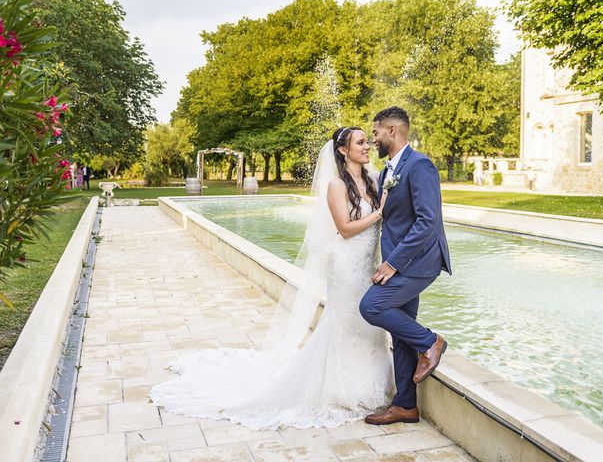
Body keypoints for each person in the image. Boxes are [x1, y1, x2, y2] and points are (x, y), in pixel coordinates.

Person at [150, 126, 394, 429]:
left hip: (367, 262)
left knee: (368, 324)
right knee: (346, 321)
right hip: (346, 265)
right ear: (343, 150)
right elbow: (344, 228)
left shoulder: (371, 179)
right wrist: (379, 213)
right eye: (360, 142)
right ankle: (342, 388)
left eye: (366, 142)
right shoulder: (336, 185)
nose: (367, 146)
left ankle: (372, 382)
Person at [360, 106, 452, 425]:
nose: (374, 139)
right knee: (399, 331)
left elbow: (428, 222)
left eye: (376, 133)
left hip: (418, 263)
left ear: (393, 132)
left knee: (371, 306)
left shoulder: (420, 165)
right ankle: (405, 406)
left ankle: (431, 342)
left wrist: (393, 264)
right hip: (401, 262)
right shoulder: (388, 171)